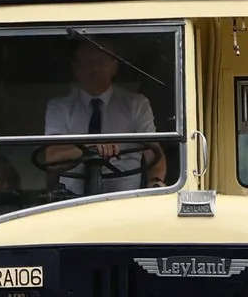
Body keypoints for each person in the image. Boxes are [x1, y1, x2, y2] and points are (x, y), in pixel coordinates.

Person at [40, 41, 167, 194]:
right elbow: (52, 159)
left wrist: (155, 182)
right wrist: (90, 148)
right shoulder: (59, 107)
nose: (95, 68)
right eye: (87, 62)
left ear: (114, 66)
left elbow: (153, 153)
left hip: (126, 201)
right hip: (71, 202)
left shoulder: (136, 104)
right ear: (76, 68)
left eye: (102, 61)